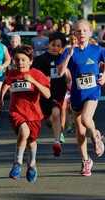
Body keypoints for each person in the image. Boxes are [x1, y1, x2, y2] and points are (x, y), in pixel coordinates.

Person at [58, 19, 105, 176]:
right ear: (74, 34)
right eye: (78, 31)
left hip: (93, 92)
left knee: (86, 118)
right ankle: (86, 161)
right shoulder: (69, 51)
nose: (81, 33)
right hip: (77, 94)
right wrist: (68, 55)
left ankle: (97, 139)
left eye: (85, 30)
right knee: (80, 132)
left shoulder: (97, 50)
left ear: (90, 32)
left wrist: (104, 75)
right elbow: (59, 72)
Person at [0, 45, 50, 183]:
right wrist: (0, 98)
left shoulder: (37, 74)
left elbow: (47, 94)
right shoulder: (12, 74)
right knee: (24, 131)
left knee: (32, 141)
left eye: (23, 60)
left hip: (34, 115)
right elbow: (6, 84)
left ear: (30, 61)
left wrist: (33, 81)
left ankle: (32, 164)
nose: (20, 62)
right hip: (16, 112)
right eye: (17, 60)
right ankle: (17, 163)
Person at [33, 32, 69, 157]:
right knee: (48, 117)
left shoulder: (64, 59)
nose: (55, 48)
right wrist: (42, 79)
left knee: (56, 113)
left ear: (62, 48)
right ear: (48, 44)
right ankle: (50, 122)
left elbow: (69, 73)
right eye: (53, 44)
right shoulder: (40, 59)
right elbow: (33, 75)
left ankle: (57, 142)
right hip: (43, 94)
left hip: (58, 92)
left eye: (58, 46)